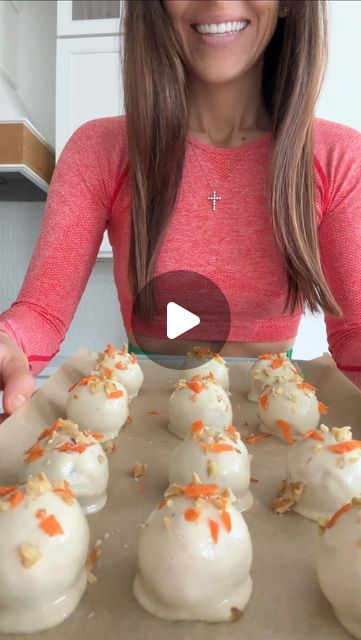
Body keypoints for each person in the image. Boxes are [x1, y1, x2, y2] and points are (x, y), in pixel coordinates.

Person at [0, 0, 360, 418]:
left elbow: (353, 332)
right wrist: (7, 343)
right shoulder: (99, 150)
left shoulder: (338, 157)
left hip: (278, 419)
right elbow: (40, 315)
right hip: (143, 420)